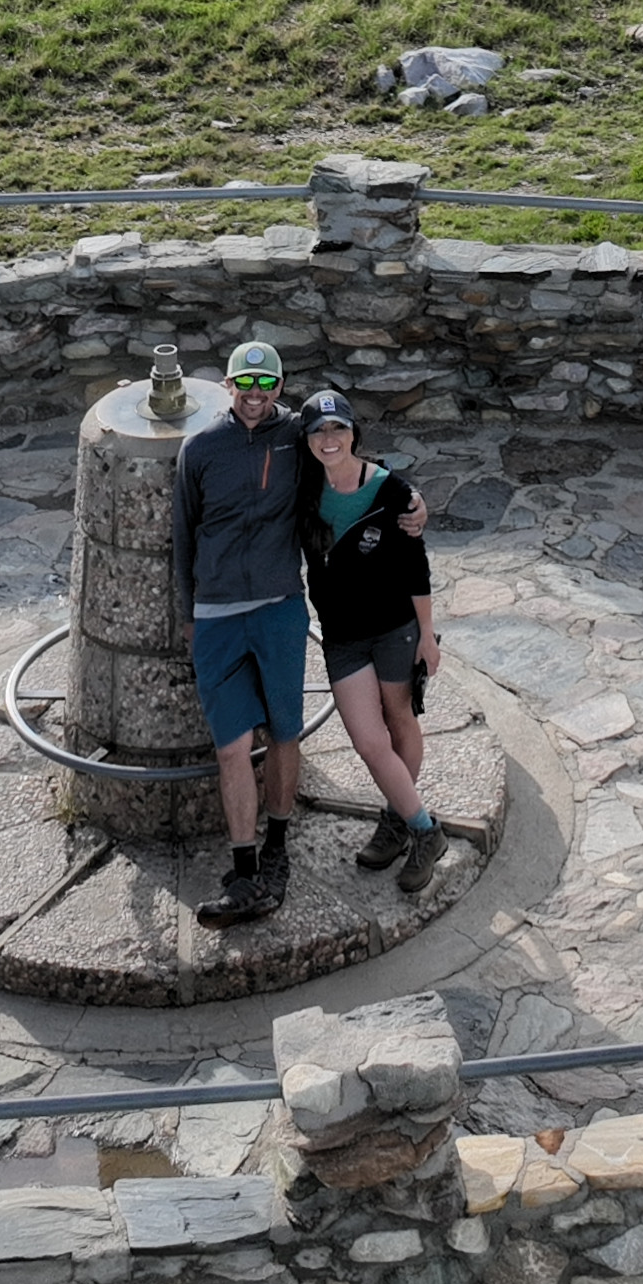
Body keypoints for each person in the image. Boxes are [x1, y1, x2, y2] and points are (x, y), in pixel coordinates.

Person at [169, 337, 311, 928]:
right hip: (219, 616)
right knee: (230, 745)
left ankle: (277, 846)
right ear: (228, 386)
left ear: (280, 387)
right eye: (243, 385)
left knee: (283, 732)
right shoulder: (199, 449)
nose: (255, 396)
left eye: (266, 385)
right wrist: (189, 610)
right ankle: (245, 865)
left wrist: (409, 502)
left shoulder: (300, 435)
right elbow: (183, 533)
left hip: (279, 606)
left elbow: (352, 460)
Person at [293, 391, 447, 888]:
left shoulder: (391, 491)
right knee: (367, 739)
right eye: (319, 431)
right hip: (343, 638)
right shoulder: (304, 491)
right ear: (308, 440)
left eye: (338, 429)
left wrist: (427, 635)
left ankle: (400, 821)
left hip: (394, 630)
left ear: (354, 433)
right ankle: (425, 828)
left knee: (399, 718)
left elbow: (415, 567)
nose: (329, 439)